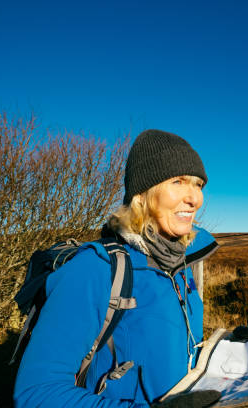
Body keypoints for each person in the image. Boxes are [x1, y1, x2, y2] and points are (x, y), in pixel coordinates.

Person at [14, 130, 221, 407]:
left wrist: (231, 351)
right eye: (178, 181)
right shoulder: (95, 268)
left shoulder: (181, 265)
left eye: (198, 185)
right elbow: (37, 394)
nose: (194, 198)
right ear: (142, 194)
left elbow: (176, 350)